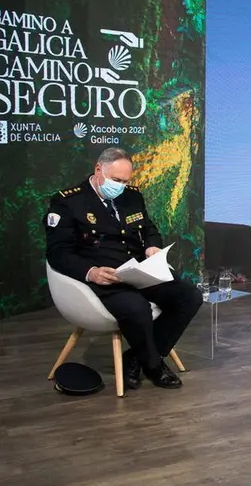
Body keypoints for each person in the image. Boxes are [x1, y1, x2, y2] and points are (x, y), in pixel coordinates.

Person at [43, 148, 202, 391]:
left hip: (139, 270)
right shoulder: (68, 202)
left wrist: (151, 247)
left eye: (126, 181)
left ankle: (135, 359)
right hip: (105, 277)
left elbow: (149, 229)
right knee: (136, 308)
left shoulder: (132, 196)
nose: (121, 186)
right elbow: (58, 252)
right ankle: (153, 365)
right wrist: (91, 271)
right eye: (116, 180)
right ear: (99, 170)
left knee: (189, 296)